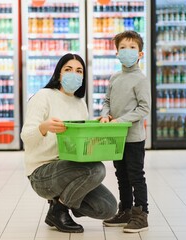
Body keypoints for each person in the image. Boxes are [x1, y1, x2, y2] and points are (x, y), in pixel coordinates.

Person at [21, 53, 117, 233]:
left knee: (108, 208)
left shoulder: (80, 104)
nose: (74, 74)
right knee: (96, 169)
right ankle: (60, 210)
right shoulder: (43, 96)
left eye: (79, 71)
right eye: (68, 69)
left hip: (70, 167)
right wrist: (44, 127)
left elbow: (81, 144)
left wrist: (97, 127)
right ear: (58, 74)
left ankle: (59, 202)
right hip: (42, 172)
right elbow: (26, 136)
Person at [99, 31, 151, 233]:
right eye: (122, 48)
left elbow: (144, 108)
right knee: (121, 175)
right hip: (116, 137)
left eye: (132, 48)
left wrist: (120, 121)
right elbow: (107, 101)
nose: (127, 51)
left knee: (136, 175)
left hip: (133, 138)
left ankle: (141, 214)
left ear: (140, 54)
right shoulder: (115, 78)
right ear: (116, 53)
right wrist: (105, 115)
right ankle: (126, 210)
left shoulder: (140, 79)